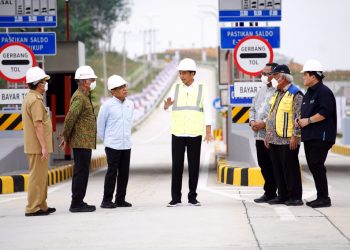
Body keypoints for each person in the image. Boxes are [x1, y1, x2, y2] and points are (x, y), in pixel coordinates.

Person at [163, 58, 213, 207]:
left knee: (193, 166)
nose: (181, 76)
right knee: (176, 166)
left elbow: (207, 110)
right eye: (180, 73)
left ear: (192, 73)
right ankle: (175, 198)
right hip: (177, 132)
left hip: (194, 133)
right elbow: (166, 106)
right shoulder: (176, 87)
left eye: (184, 73)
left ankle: (192, 197)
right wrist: (166, 106)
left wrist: (208, 131)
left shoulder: (202, 88)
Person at [296, 59, 336, 208]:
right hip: (310, 135)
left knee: (316, 165)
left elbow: (325, 112)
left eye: (305, 74)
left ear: (314, 76)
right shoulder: (309, 93)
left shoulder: (324, 92)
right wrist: (300, 121)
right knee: (313, 166)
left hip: (321, 135)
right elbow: (306, 114)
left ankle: (324, 198)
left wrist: (309, 121)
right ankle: (321, 196)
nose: (303, 77)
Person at [265, 64, 304, 206]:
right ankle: (282, 195)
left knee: (290, 169)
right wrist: (268, 135)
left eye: (275, 76)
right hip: (275, 138)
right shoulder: (277, 93)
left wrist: (295, 136)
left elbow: (298, 116)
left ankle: (295, 197)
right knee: (278, 169)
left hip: (288, 139)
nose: (273, 78)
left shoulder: (295, 93)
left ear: (283, 77)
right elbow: (272, 115)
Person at [61, 65, 98, 213]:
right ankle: (76, 202)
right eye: (92, 79)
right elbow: (70, 117)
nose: (94, 81)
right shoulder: (79, 97)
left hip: (84, 141)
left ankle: (79, 201)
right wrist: (65, 135)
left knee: (83, 171)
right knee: (81, 172)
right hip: (81, 141)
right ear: (84, 81)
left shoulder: (84, 95)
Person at [22, 66, 56, 216]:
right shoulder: (35, 101)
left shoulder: (32, 98)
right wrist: (43, 146)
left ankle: (42, 205)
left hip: (37, 146)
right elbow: (38, 125)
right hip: (37, 146)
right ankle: (33, 207)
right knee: (37, 177)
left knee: (41, 177)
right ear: (39, 84)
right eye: (44, 81)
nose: (45, 84)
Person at [97, 75, 134, 209]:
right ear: (113, 91)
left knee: (124, 173)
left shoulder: (130, 104)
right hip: (112, 145)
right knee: (112, 172)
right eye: (120, 88)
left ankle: (120, 199)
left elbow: (130, 123)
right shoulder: (107, 106)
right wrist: (107, 140)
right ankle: (106, 200)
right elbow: (100, 126)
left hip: (126, 144)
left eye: (125, 86)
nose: (124, 89)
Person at [249, 63, 278, 203]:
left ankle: (280, 192)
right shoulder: (260, 91)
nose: (264, 76)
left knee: (275, 165)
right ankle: (269, 192)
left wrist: (264, 123)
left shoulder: (279, 91)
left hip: (272, 137)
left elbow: (277, 113)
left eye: (267, 74)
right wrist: (252, 122)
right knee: (264, 165)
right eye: (263, 73)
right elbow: (252, 108)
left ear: (275, 75)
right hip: (259, 136)